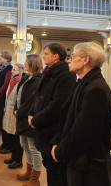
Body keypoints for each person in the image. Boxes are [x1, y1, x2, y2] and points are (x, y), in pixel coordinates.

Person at [51, 42, 111, 186]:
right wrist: (58, 143)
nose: (69, 60)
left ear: (86, 59)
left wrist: (60, 151)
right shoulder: (83, 83)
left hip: (87, 165)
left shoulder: (96, 89)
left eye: (73, 56)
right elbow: (68, 119)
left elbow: (83, 132)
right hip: (77, 158)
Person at [28, 43, 76, 186]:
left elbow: (58, 105)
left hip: (53, 131)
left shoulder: (65, 75)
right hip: (44, 128)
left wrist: (36, 119)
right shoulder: (49, 72)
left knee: (56, 174)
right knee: (49, 168)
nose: (43, 56)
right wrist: (31, 113)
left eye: (46, 54)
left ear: (56, 56)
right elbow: (39, 97)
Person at [14, 55, 43, 185]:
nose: (25, 64)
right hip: (21, 116)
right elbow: (18, 95)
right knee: (24, 145)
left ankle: (35, 178)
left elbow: (30, 101)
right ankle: (28, 172)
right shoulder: (26, 77)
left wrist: (19, 112)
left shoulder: (38, 80)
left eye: (27, 62)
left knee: (33, 148)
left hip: (30, 117)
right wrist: (16, 108)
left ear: (33, 64)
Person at [2, 63, 24, 169]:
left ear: (20, 71)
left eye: (14, 70)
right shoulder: (12, 81)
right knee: (11, 136)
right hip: (9, 109)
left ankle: (18, 160)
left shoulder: (20, 82)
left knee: (16, 137)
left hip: (15, 112)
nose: (12, 71)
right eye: (12, 70)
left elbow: (19, 99)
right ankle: (13, 156)